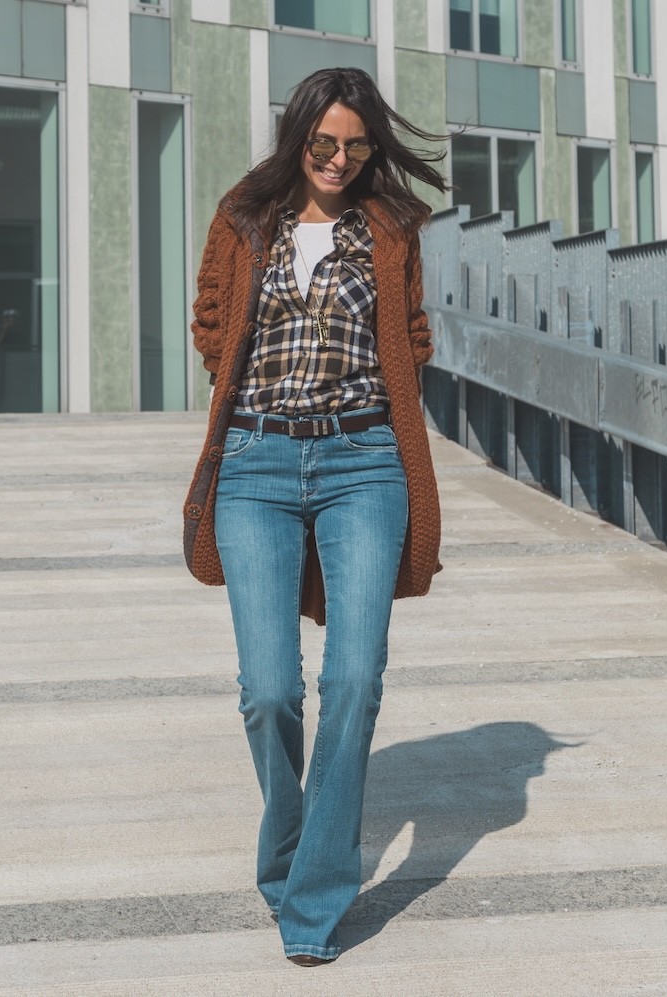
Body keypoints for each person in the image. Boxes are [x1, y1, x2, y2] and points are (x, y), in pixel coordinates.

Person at [182, 67, 446, 966]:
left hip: (364, 461)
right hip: (255, 461)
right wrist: (242, 374)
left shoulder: (392, 230)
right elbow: (211, 316)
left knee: (358, 676)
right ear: (298, 138)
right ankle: (288, 849)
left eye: (355, 147)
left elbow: (412, 336)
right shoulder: (243, 217)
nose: (338, 160)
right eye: (323, 143)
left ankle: (315, 895)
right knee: (270, 690)